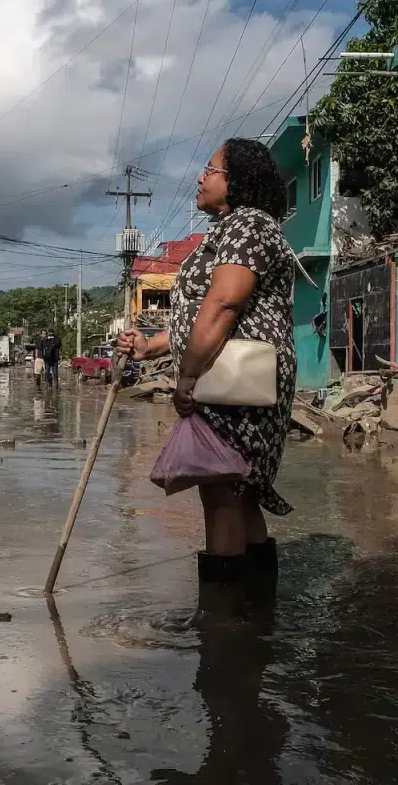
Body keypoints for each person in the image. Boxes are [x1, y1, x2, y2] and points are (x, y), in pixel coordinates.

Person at [118, 137, 296, 585]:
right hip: (236, 376)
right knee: (242, 491)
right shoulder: (232, 229)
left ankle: (222, 625)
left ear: (237, 182)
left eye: (210, 169)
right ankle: (253, 620)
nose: (200, 177)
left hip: (235, 381)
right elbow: (198, 316)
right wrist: (149, 347)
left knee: (223, 492)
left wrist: (188, 376)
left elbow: (224, 305)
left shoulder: (249, 224)